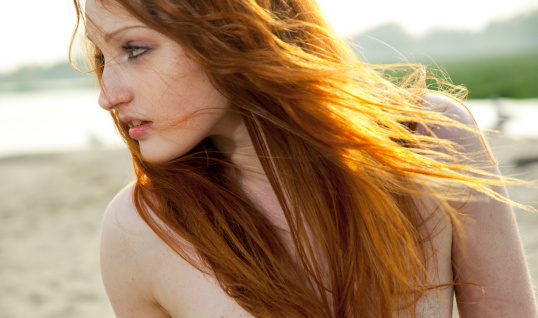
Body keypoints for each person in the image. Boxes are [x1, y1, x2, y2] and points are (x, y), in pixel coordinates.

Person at [71, 0, 537, 317]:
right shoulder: (140, 229)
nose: (107, 96)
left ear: (231, 27)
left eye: (134, 49)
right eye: (101, 58)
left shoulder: (429, 137)